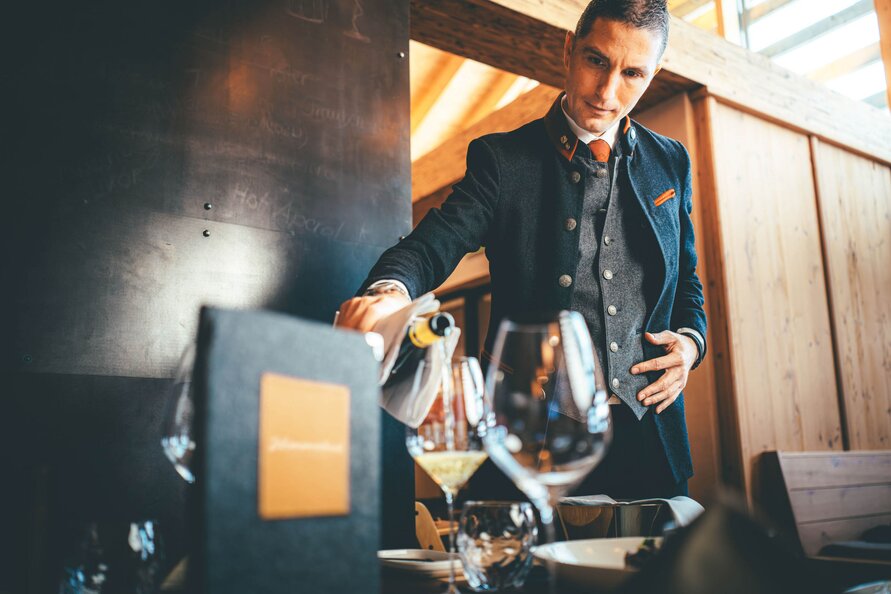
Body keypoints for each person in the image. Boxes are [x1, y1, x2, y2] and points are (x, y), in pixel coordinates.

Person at [338, 0, 706, 499]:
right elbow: (431, 246)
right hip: (533, 437)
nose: (607, 92)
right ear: (569, 50)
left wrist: (690, 344)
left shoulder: (671, 162)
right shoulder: (502, 160)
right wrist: (389, 293)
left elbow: (686, 280)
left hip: (651, 437)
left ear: (654, 73)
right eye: (597, 60)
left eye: (632, 73)